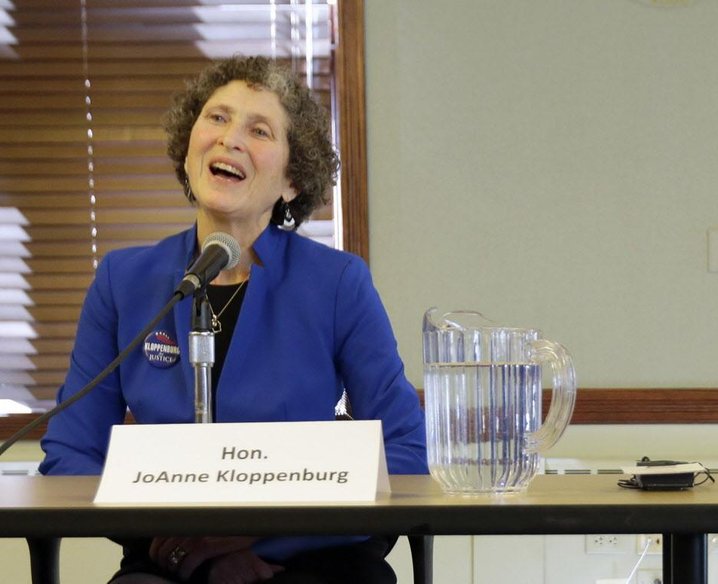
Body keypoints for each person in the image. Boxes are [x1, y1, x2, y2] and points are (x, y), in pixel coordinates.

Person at [38, 55, 427, 584]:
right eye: (217, 118)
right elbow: (69, 454)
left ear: (292, 180)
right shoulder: (121, 280)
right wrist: (179, 548)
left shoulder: (338, 283)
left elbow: (406, 451)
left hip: (312, 559)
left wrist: (257, 538)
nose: (230, 139)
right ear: (189, 143)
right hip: (165, 561)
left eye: (259, 129)